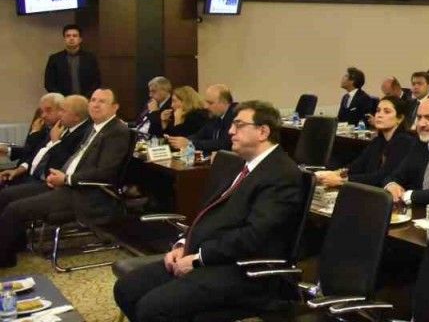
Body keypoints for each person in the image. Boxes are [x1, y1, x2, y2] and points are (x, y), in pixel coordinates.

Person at [113, 100, 308, 322]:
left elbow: (254, 237)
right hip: (213, 256)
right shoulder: (242, 165)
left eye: (239, 125)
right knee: (127, 289)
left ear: (263, 132)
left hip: (245, 271)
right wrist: (183, 244)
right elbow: (209, 214)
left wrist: (199, 258)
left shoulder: (282, 175)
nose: (230, 131)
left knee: (152, 308)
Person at [0, 88, 131, 267]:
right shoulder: (94, 128)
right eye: (93, 100)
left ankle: (4, 260)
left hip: (85, 193)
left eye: (102, 101)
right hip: (66, 184)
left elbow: (105, 172)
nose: (95, 105)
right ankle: (13, 247)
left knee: (14, 209)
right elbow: (75, 160)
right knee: (5, 196)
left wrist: (66, 178)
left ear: (114, 107)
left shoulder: (117, 131)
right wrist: (58, 176)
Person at [0, 95, 90, 203]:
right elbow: (35, 154)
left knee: (6, 196)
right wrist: (18, 170)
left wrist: (55, 141)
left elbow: (64, 164)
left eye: (63, 110)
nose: (43, 115)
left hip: (47, 181)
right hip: (30, 173)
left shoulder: (81, 133)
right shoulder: (56, 127)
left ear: (76, 117)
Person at [316, 97, 415, 188]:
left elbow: (383, 176)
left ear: (400, 118)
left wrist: (343, 181)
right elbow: (356, 166)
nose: (379, 115)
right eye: (378, 111)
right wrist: (334, 173)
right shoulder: (377, 141)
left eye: (387, 112)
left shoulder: (404, 142)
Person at [168, 85, 236, 154]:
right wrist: (183, 141)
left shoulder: (235, 116)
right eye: (206, 102)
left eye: (210, 103)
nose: (206, 106)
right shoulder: (215, 116)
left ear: (224, 102)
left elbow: (224, 143)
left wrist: (190, 143)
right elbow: (200, 135)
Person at [0, 94, 62, 169]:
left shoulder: (59, 132)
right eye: (42, 111)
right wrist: (7, 150)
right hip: (23, 169)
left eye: (48, 110)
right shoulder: (45, 127)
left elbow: (33, 155)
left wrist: (35, 133)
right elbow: (30, 152)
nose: (43, 116)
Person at [43, 23, 101, 97]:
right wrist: (61, 98)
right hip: (62, 101)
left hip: (86, 100)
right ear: (64, 39)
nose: (71, 38)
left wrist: (87, 97)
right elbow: (49, 83)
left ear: (80, 39)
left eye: (75, 36)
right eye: (68, 36)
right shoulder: (54, 59)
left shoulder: (90, 58)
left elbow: (96, 81)